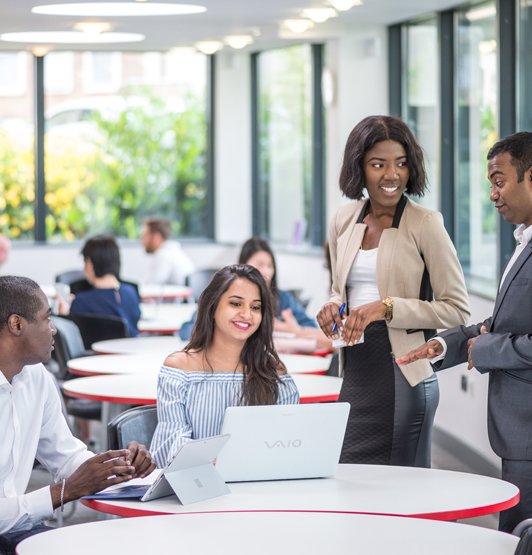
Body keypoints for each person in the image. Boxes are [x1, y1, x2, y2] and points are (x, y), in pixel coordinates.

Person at [396, 131, 532, 532]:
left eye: (499, 180)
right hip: (518, 434)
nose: (493, 194)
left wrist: (488, 350)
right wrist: (441, 346)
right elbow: (504, 324)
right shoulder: (523, 242)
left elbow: (498, 337)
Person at [317, 115, 470, 467]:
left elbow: (456, 309)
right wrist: (331, 306)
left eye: (401, 163)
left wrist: (385, 308)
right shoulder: (344, 218)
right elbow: (339, 290)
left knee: (403, 493)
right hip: (355, 373)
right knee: (349, 482)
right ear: (359, 168)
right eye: (378, 164)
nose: (392, 175)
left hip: (403, 377)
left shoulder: (425, 223)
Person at [0, 276, 155, 553]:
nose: (54, 329)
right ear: (17, 324)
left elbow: (67, 455)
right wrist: (65, 491)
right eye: (47, 318)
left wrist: (117, 465)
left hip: (17, 529)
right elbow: (68, 485)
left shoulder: (36, 378)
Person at [151, 264, 299, 467]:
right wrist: (221, 461)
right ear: (212, 307)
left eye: (255, 307)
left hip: (259, 487)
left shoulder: (273, 370)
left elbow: (289, 441)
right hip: (198, 486)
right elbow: (171, 444)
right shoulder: (180, 368)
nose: (246, 314)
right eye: (236, 304)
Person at [180, 239, 333, 351]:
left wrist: (292, 330)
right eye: (259, 265)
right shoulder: (222, 295)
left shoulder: (282, 299)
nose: (266, 271)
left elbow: (314, 331)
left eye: (270, 266)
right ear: (244, 265)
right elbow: (188, 329)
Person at [60, 235, 141, 338]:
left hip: (97, 354)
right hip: (131, 352)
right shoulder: (132, 293)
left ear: (89, 264)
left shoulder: (81, 302)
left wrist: (64, 315)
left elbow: (72, 339)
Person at [141, 217, 195, 286]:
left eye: (145, 235)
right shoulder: (175, 252)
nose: (141, 240)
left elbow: (150, 285)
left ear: (156, 237)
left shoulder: (164, 255)